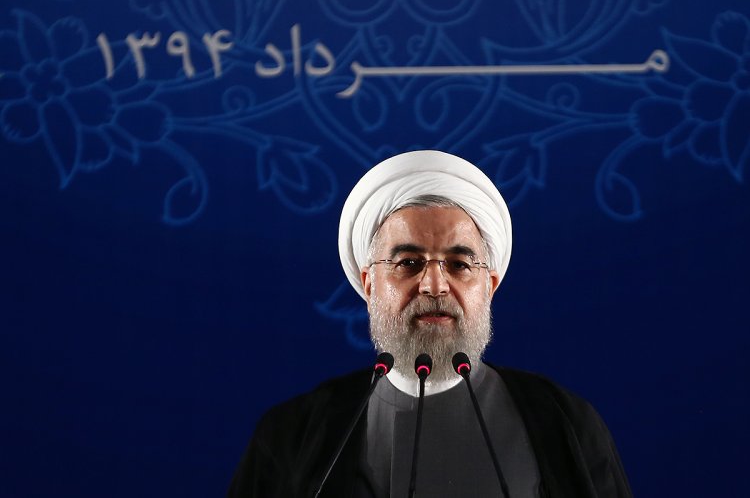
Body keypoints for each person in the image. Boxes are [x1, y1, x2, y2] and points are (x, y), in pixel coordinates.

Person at [228, 150, 632, 497]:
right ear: (369, 284)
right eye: (408, 262)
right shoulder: (291, 435)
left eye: (459, 264)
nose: (435, 285)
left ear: (489, 286)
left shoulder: (566, 422)